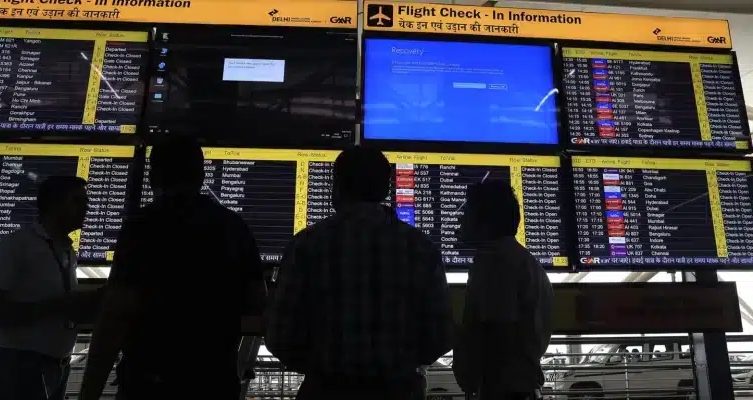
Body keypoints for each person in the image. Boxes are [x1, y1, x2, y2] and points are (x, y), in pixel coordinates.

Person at [78, 136, 265, 400]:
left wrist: (89, 392)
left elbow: (117, 313)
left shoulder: (142, 226)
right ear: (201, 176)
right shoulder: (235, 227)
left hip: (150, 381)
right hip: (214, 380)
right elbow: (257, 299)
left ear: (152, 177)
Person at [266, 146, 453, 400]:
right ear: (386, 190)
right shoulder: (422, 248)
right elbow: (441, 336)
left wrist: (320, 367)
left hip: (326, 390)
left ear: (337, 187)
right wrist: (402, 366)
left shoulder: (306, 245)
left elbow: (280, 336)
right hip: (398, 390)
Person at [0, 176, 98, 400]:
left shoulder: (67, 251)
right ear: (54, 205)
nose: (87, 208)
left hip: (56, 366)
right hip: (17, 367)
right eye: (78, 201)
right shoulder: (17, 245)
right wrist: (59, 306)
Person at [453, 180, 553, 400]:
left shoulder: (495, 261)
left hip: (503, 391)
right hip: (519, 388)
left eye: (466, 213)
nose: (460, 221)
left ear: (485, 221)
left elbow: (498, 331)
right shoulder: (524, 260)